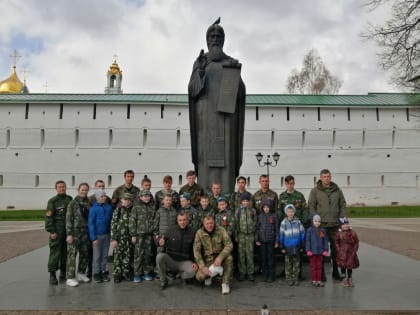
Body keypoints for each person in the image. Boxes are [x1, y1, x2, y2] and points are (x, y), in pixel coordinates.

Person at [188, 18, 246, 192]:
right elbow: (192, 90)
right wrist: (201, 72)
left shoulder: (230, 62)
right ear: (207, 40)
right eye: (212, 36)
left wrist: (235, 76)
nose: (215, 39)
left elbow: (241, 93)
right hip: (205, 121)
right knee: (205, 158)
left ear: (223, 40)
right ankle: (206, 195)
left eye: (218, 36)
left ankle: (226, 194)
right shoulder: (200, 62)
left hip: (227, 121)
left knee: (226, 157)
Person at [308, 169, 347, 280]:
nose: (326, 178)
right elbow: (311, 206)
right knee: (321, 250)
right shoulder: (315, 191)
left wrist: (343, 221)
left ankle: (335, 272)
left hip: (335, 225)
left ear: (330, 177)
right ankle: (321, 273)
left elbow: (343, 205)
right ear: (321, 178)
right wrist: (315, 220)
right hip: (322, 226)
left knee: (336, 250)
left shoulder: (337, 190)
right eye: (324, 177)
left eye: (328, 176)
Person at [156, 211, 198, 290]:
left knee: (193, 271)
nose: (182, 222)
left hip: (184, 261)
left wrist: (195, 261)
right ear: (177, 221)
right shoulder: (171, 230)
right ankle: (163, 280)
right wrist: (159, 241)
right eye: (180, 220)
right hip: (171, 260)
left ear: (188, 220)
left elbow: (196, 248)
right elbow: (160, 238)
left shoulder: (193, 231)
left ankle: (181, 275)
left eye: (184, 220)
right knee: (159, 257)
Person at [194, 215, 233, 295]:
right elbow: (196, 251)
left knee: (229, 258)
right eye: (207, 223)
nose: (209, 225)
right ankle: (210, 275)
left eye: (211, 223)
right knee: (200, 277)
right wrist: (202, 266)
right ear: (203, 224)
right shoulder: (199, 233)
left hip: (219, 258)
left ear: (214, 222)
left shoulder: (221, 230)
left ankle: (225, 283)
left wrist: (220, 257)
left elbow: (229, 245)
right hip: (207, 259)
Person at [45, 180, 72, 285]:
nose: (62, 188)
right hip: (57, 231)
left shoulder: (69, 199)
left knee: (65, 253)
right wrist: (51, 231)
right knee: (55, 253)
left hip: (67, 231)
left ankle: (63, 274)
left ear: (65, 188)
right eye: (59, 187)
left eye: (63, 187)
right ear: (56, 188)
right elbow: (49, 217)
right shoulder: (52, 201)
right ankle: (52, 275)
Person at [65, 182, 92, 287]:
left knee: (84, 253)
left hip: (85, 231)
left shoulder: (89, 202)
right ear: (78, 190)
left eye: (86, 190)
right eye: (82, 189)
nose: (84, 191)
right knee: (72, 254)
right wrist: (69, 234)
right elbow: (68, 219)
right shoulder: (73, 203)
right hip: (75, 231)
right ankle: (70, 277)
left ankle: (81, 273)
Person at [130, 189, 157, 283]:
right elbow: (132, 221)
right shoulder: (136, 208)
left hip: (148, 234)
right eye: (144, 196)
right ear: (140, 197)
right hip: (139, 235)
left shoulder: (152, 207)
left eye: (148, 196)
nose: (146, 198)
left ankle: (146, 272)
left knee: (147, 254)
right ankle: (137, 273)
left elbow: (154, 221)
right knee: (138, 254)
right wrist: (133, 234)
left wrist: (154, 232)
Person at [88, 189, 113, 283]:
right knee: (97, 255)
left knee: (105, 255)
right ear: (97, 198)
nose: (103, 198)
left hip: (106, 235)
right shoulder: (93, 209)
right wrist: (93, 237)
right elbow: (91, 224)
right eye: (101, 196)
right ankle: (96, 272)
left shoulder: (109, 208)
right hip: (97, 236)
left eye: (104, 196)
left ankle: (103, 271)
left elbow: (111, 221)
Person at [110, 193, 135, 283]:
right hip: (119, 238)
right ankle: (117, 273)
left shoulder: (133, 210)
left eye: (129, 200)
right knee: (118, 256)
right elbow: (113, 224)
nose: (127, 201)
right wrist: (113, 239)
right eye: (125, 199)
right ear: (121, 200)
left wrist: (133, 236)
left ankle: (126, 272)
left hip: (129, 238)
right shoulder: (118, 210)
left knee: (127, 256)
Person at [279, 204, 305, 286]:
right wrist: (282, 246)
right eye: (288, 212)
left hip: (296, 246)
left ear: (294, 212)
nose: (290, 213)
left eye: (292, 212)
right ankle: (289, 278)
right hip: (287, 247)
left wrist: (301, 245)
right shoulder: (284, 223)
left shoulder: (298, 222)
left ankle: (295, 278)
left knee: (296, 263)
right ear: (286, 213)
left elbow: (302, 233)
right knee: (288, 263)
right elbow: (281, 235)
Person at [235, 192, 257, 281]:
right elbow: (236, 224)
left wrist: (255, 235)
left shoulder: (252, 211)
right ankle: (242, 273)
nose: (245, 202)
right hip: (241, 235)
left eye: (247, 201)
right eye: (243, 201)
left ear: (249, 202)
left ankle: (250, 273)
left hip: (250, 236)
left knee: (250, 255)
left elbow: (255, 223)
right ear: (241, 202)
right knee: (241, 255)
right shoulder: (238, 211)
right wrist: (236, 235)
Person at [255, 199, 279, 283]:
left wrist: (276, 241)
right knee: (263, 258)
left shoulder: (274, 215)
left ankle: (271, 275)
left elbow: (276, 229)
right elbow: (257, 228)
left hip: (271, 241)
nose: (266, 209)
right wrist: (257, 239)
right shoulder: (260, 216)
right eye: (264, 207)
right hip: (262, 241)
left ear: (270, 207)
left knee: (270, 258)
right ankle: (265, 275)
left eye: (267, 207)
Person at [335, 217, 359, 287]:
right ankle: (344, 278)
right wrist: (339, 250)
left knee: (350, 266)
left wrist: (354, 250)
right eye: (344, 224)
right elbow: (336, 242)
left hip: (350, 253)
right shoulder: (339, 233)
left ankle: (350, 278)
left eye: (347, 224)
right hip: (342, 253)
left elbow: (356, 242)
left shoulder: (352, 232)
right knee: (343, 265)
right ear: (341, 225)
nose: (346, 225)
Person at [305, 214, 329, 287]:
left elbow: (325, 241)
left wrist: (325, 250)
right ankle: (314, 280)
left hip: (320, 252)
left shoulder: (322, 230)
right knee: (313, 267)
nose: (317, 223)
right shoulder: (309, 230)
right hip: (312, 253)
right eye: (315, 221)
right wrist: (308, 250)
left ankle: (319, 280)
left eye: (319, 221)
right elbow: (307, 241)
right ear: (312, 221)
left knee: (319, 267)